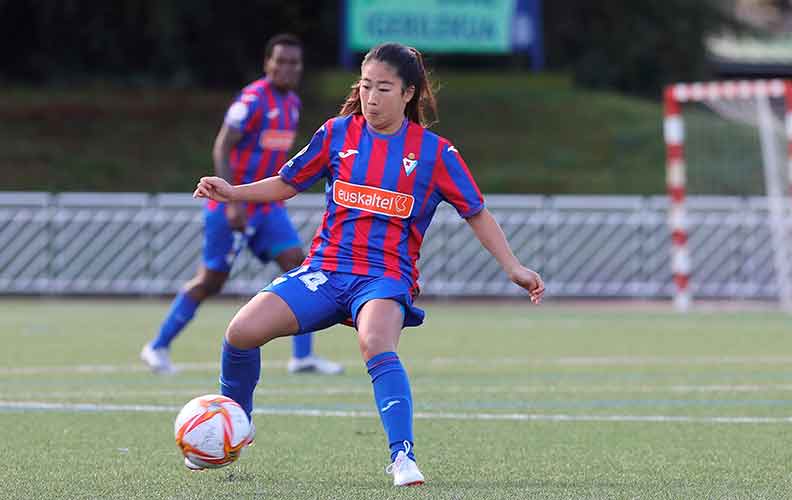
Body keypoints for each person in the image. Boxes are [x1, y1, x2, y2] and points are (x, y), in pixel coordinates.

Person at [192, 42, 545, 486]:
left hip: (384, 277)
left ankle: (402, 457)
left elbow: (475, 211)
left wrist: (513, 266)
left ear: (409, 94)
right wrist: (232, 191)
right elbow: (287, 182)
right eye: (365, 86)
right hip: (326, 269)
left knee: (376, 342)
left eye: (383, 88)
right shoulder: (337, 134)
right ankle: (237, 424)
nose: (371, 97)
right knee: (240, 333)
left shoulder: (436, 153)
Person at [141, 34, 343, 376]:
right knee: (211, 281)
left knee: (299, 263)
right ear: (268, 64)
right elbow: (222, 145)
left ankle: (302, 356)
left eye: (294, 62)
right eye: (281, 61)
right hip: (232, 204)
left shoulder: (292, 103)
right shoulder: (251, 100)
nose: (288, 68)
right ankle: (157, 346)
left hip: (266, 207)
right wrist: (231, 199)